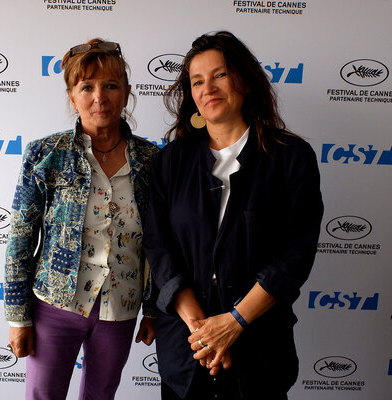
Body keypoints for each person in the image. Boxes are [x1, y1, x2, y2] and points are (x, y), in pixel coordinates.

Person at [143, 31, 323, 400]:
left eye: (220, 74)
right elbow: (159, 248)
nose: (208, 87)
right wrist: (203, 330)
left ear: (244, 80)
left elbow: (295, 254)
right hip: (187, 352)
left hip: (259, 352)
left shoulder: (291, 157)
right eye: (197, 81)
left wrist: (235, 322)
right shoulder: (170, 162)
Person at [4, 38, 158, 400]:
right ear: (72, 96)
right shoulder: (45, 154)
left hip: (120, 307)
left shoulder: (153, 161)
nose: (99, 97)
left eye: (110, 86)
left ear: (127, 93)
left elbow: (159, 242)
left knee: (101, 395)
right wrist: (17, 317)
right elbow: (20, 237)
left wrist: (152, 308)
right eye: (86, 86)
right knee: (43, 395)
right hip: (54, 304)